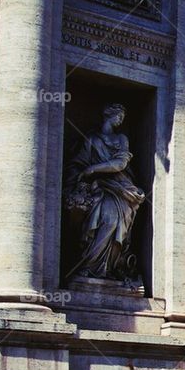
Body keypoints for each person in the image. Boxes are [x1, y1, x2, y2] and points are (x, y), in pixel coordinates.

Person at [64, 103, 145, 283]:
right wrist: (82, 176)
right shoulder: (91, 139)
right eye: (119, 116)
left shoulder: (121, 138)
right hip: (98, 188)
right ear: (109, 115)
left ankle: (109, 268)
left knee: (113, 221)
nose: (121, 120)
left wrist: (93, 169)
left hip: (121, 189)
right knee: (99, 221)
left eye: (123, 117)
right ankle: (90, 267)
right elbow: (77, 164)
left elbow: (120, 164)